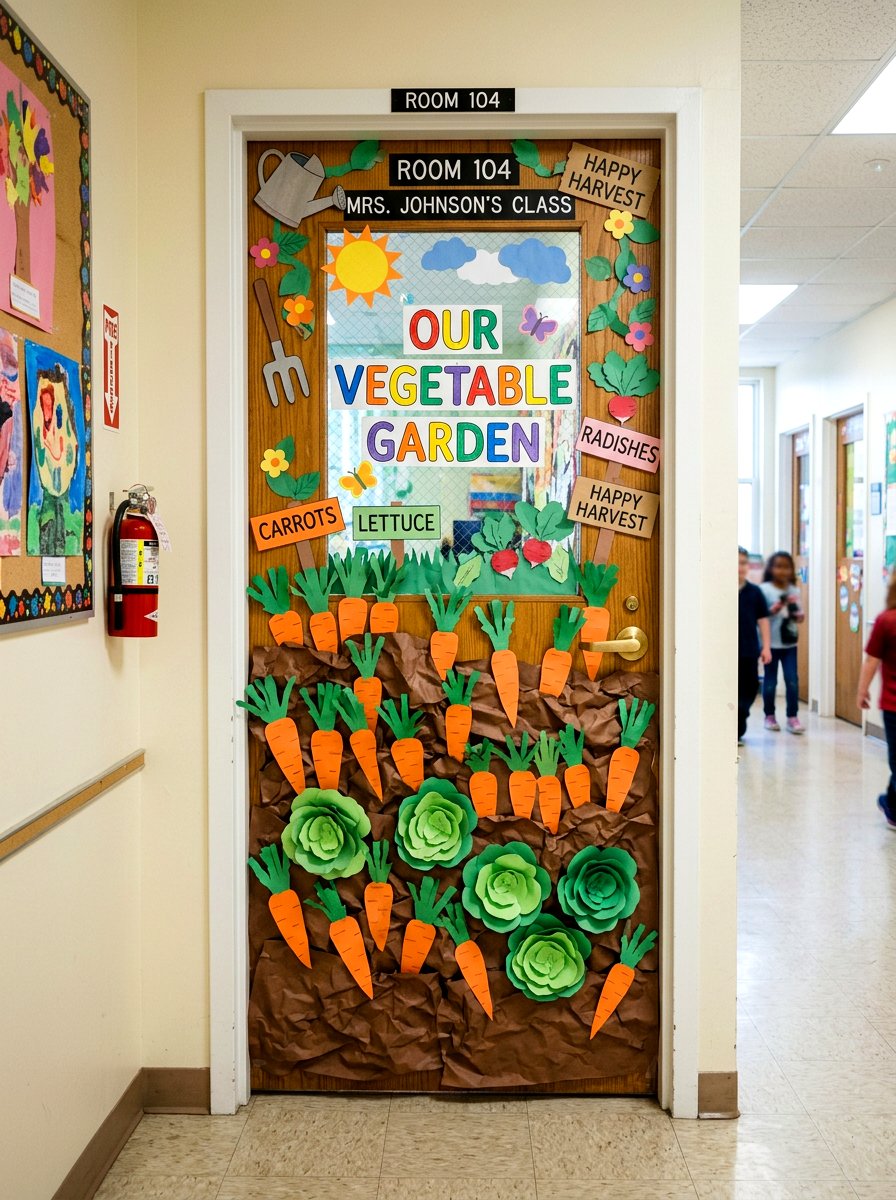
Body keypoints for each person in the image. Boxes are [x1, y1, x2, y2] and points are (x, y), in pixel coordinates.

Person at [857, 574, 896, 829]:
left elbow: (872, 660)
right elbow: (873, 658)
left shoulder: (887, 620)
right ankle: (891, 805)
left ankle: (891, 805)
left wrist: (862, 690)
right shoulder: (887, 621)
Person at [760, 551, 805, 734]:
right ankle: (769, 715)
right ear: (771, 568)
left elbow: (800, 617)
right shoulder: (764, 590)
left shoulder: (794, 590)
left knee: (792, 680)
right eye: (778, 566)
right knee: (770, 682)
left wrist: (797, 613)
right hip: (770, 644)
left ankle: (792, 717)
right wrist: (775, 608)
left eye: (786, 567)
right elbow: (761, 615)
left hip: (789, 644)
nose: (782, 571)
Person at [738, 546, 771, 745]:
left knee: (749, 688)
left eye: (743, 563)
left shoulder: (755, 592)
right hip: (725, 653)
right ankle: (733, 729)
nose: (740, 567)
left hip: (749, 651)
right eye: (736, 562)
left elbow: (763, 621)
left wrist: (766, 647)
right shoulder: (720, 591)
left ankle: (740, 717)